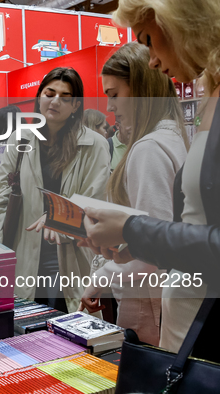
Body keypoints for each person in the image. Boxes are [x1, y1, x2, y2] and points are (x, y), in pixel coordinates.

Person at [79, 0, 220, 361]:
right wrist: (135, 239)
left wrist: (133, 232)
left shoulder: (150, 147)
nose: (155, 60)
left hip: (182, 324)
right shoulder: (195, 115)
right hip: (185, 321)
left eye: (150, 40)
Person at [78, 42, 189, 346]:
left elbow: (155, 247)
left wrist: (98, 281)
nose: (110, 107)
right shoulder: (173, 138)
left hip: (149, 305)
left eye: (114, 95)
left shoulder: (148, 149)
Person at [0, 67, 110, 313]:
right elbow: (0, 200)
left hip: (70, 254)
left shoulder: (95, 145)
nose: (55, 101)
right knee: (27, 326)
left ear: (76, 106)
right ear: (40, 97)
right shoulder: (20, 139)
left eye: (65, 97)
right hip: (25, 252)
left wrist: (57, 218)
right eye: (50, 93)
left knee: (70, 329)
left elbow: (94, 202)